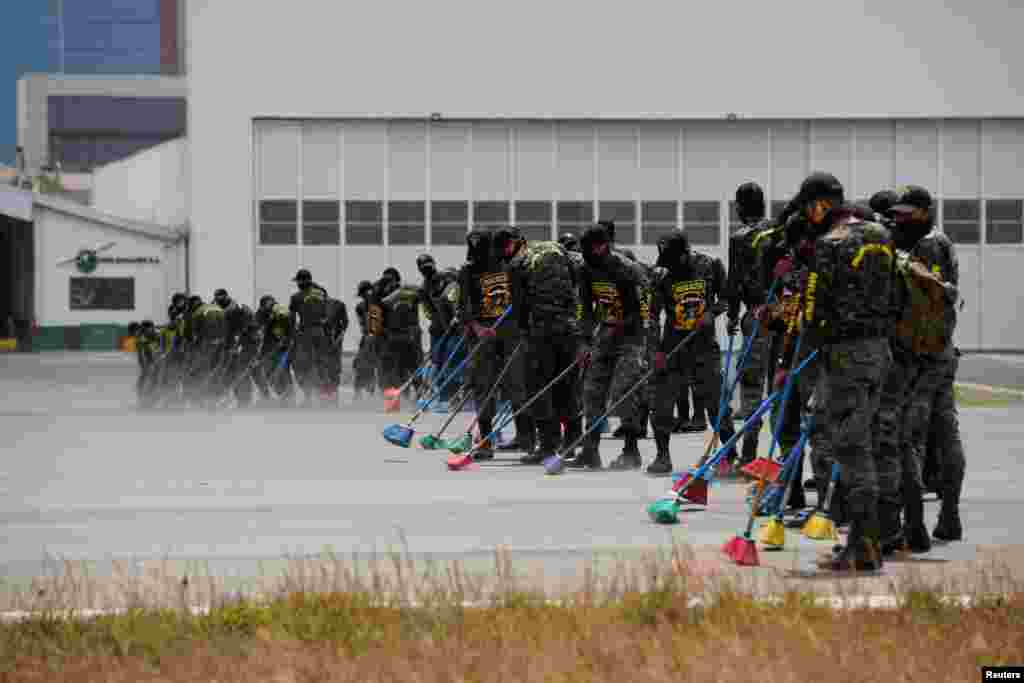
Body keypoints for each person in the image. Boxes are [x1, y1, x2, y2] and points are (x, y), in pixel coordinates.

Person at [800, 172, 895, 573]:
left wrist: (798, 358)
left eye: (809, 206)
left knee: (851, 450)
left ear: (821, 204)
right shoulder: (880, 235)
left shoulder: (830, 244)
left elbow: (814, 310)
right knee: (868, 446)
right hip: (879, 352)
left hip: (845, 358)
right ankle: (871, 540)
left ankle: (862, 546)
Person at [886, 185, 965, 545]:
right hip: (940, 353)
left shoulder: (927, 246)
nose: (900, 219)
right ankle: (948, 516)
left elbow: (923, 301)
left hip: (920, 360)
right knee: (944, 433)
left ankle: (915, 524)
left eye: (907, 213)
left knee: (909, 438)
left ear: (924, 211)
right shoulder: (936, 241)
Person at [646, 231, 735, 476]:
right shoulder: (661, 274)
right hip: (673, 346)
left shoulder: (710, 265)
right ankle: (662, 457)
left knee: (716, 403)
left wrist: (711, 313)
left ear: (685, 254)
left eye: (675, 261)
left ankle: (729, 456)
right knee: (662, 403)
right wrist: (656, 351)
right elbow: (652, 314)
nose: (670, 267)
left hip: (704, 346)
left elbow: (727, 297)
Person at [562, 223, 648, 471]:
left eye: (589, 247)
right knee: (592, 392)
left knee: (624, 392)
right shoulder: (587, 268)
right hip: (605, 334)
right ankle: (590, 452)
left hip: (631, 338)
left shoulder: (625, 269)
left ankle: (631, 452)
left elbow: (639, 310)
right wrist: (585, 341)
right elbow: (586, 307)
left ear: (602, 246)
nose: (585, 252)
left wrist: (616, 328)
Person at [503, 231, 581, 465]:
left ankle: (548, 446)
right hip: (568, 328)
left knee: (538, 388)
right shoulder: (557, 249)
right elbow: (575, 281)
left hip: (540, 332)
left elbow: (519, 306)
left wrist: (523, 332)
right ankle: (572, 442)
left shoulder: (517, 263)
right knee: (566, 385)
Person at [459, 227, 527, 460]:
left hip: (511, 332)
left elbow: (521, 298)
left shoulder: (508, 265)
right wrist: (477, 328)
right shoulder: (468, 271)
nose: (478, 255)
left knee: (517, 383)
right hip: (483, 334)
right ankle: (486, 442)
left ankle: (525, 438)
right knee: (484, 387)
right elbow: (463, 308)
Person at [725, 181, 775, 467]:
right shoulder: (779, 231)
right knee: (783, 387)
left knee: (752, 386)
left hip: (756, 317)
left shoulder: (741, 236)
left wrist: (732, 314)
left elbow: (734, 280)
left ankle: (749, 454)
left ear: (740, 207)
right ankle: (784, 457)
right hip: (786, 317)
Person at [289, 269, 331, 406]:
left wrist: (292, 333)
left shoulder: (296, 297)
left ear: (303, 281)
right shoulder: (322, 292)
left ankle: (308, 396)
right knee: (321, 364)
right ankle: (325, 397)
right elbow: (326, 314)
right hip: (320, 332)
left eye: (298, 281)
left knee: (302, 365)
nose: (297, 284)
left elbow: (291, 317)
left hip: (305, 332)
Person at [255, 295, 294, 405]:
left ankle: (287, 396)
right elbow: (258, 325)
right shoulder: (262, 312)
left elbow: (288, 327)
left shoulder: (281, 311)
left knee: (282, 371)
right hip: (269, 347)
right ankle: (275, 395)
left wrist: (285, 340)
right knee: (268, 371)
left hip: (282, 348)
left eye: (267, 303)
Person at [352, 281, 379, 399]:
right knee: (359, 365)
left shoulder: (378, 304)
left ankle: (370, 393)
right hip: (367, 337)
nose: (364, 296)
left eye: (365, 294)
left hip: (377, 338)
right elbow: (362, 324)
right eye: (362, 295)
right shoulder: (360, 307)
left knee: (372, 366)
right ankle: (358, 394)